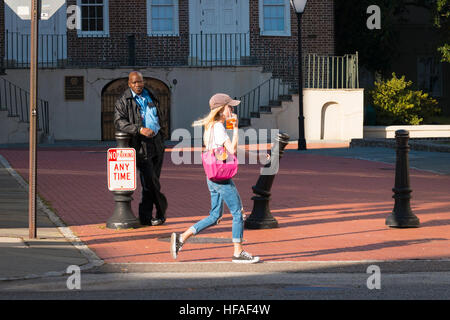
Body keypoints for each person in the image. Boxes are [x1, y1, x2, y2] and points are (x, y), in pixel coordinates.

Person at [170, 93, 260, 264]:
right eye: (229, 107)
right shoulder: (218, 128)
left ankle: (181, 238)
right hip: (221, 179)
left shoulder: (211, 126)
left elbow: (224, 152)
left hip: (213, 176)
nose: (232, 110)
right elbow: (232, 150)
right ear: (220, 109)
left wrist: (257, 156)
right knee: (238, 214)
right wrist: (235, 128)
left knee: (215, 216)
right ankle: (238, 252)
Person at [114, 71, 168, 226]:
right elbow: (119, 122)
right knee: (149, 181)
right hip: (141, 144)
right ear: (129, 84)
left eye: (140, 82)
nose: (138, 85)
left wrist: (161, 133)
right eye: (135, 82)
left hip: (157, 143)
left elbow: (159, 115)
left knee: (153, 181)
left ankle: (145, 217)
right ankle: (161, 209)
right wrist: (139, 129)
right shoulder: (123, 101)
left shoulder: (151, 95)